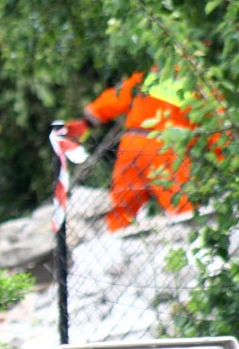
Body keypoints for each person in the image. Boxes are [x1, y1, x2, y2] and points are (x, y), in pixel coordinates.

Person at [72, 68, 196, 231]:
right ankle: (194, 237)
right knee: (184, 207)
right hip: (165, 149)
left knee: (122, 206)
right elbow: (220, 133)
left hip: (132, 143)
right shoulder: (203, 83)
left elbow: (119, 95)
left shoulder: (154, 71)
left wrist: (88, 120)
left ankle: (115, 240)